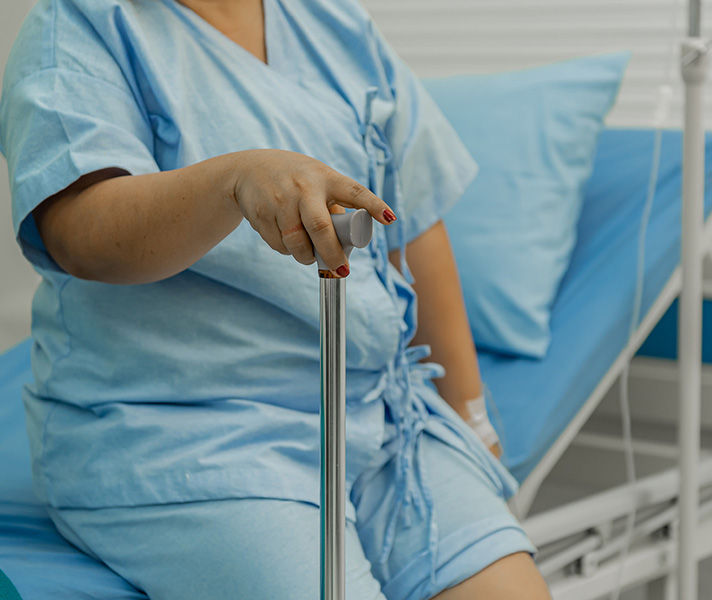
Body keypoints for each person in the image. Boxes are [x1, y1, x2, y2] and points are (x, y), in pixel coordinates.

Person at [0, 1, 550, 598]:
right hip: (192, 434)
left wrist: (473, 423)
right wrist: (231, 181)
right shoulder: (79, 24)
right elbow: (82, 236)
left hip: (379, 419)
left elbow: (413, 218)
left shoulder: (333, 22)